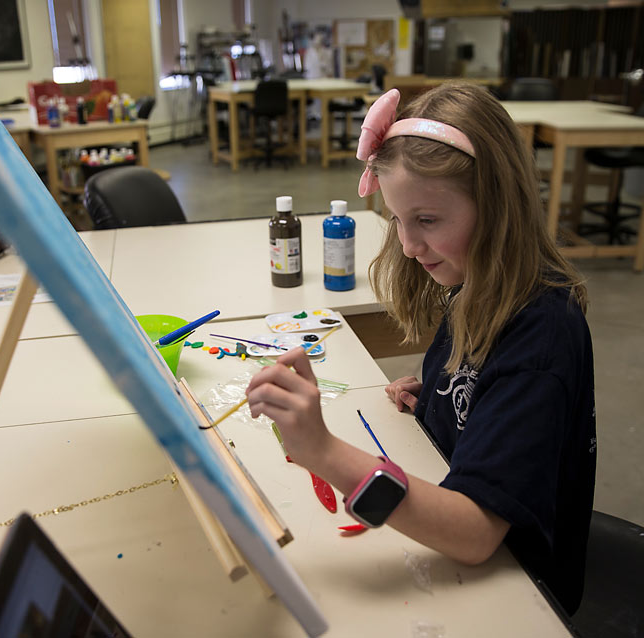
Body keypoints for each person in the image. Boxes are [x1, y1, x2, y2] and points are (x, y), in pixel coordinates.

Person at [245, 83, 596, 615]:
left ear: (499, 207)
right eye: (398, 219)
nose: (408, 246)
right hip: (463, 558)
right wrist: (438, 399)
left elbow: (478, 533)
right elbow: (488, 389)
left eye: (427, 220)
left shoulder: (542, 334)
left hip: (517, 595)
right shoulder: (476, 285)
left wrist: (323, 452)